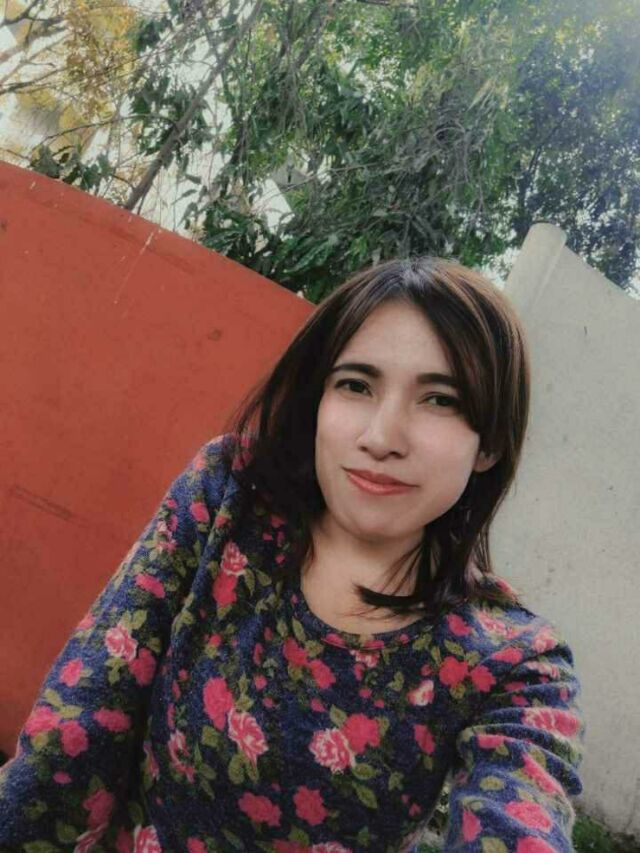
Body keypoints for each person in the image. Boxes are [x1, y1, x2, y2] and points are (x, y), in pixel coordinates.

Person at [0, 257, 583, 852]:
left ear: (490, 444)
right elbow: (82, 718)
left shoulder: (517, 664)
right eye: (355, 385)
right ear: (318, 399)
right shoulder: (230, 498)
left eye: (440, 400)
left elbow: (521, 819)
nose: (381, 438)